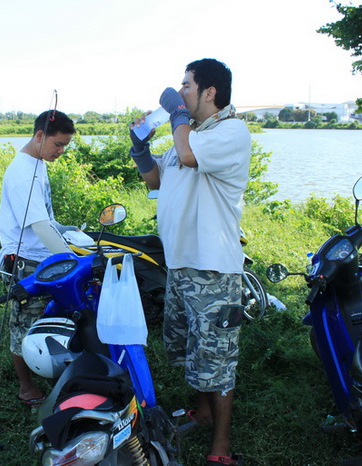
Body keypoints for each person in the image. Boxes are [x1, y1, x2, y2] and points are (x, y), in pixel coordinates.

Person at [129, 59, 251, 466]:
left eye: (186, 86)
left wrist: (178, 117)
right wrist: (140, 149)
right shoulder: (192, 133)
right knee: (191, 349)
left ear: (209, 92)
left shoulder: (230, 131)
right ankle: (200, 413)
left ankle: (221, 446)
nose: (180, 93)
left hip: (213, 267)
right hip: (182, 264)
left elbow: (188, 156)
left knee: (217, 357)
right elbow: (156, 180)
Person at [0, 110, 76, 405]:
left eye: (65, 146)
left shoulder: (37, 164)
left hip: (42, 256)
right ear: (40, 136)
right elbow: (39, 227)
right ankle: (26, 387)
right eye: (58, 144)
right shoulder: (22, 174)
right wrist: (73, 261)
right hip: (26, 261)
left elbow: (46, 219)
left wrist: (66, 231)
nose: (61, 151)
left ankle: (54, 372)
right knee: (24, 325)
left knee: (52, 318)